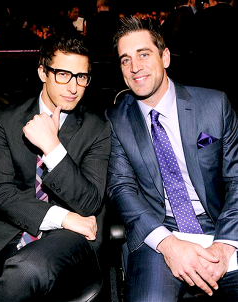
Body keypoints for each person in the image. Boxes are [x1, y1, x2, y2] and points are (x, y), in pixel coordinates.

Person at [106, 16, 238, 302]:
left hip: (220, 226)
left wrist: (225, 245)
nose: (135, 67)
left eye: (144, 54)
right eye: (125, 60)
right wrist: (168, 243)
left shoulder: (215, 105)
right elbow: (120, 189)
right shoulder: (117, 120)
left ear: (164, 57)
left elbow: (237, 179)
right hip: (158, 232)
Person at [0, 33, 111, 301]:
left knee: (27, 270)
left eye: (81, 77)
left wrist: (52, 148)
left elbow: (90, 201)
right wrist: (62, 216)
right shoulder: (5, 120)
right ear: (43, 72)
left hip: (74, 241)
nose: (73, 87)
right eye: (63, 74)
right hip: (15, 234)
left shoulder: (97, 128)